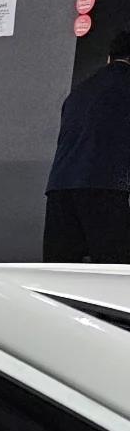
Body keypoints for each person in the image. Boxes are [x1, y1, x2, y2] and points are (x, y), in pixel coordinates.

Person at [44, 30, 130, 263]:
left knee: (61, 271)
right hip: (107, 187)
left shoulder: (80, 91)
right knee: (115, 271)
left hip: (60, 188)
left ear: (109, 58)